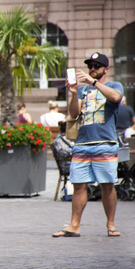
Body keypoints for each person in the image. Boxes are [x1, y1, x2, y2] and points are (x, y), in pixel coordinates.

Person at [52, 52, 124, 238]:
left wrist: (93, 83)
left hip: (105, 143)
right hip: (83, 144)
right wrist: (74, 94)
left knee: (107, 185)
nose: (92, 69)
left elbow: (116, 98)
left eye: (96, 66)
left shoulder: (114, 86)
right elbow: (74, 114)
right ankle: (74, 226)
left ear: (106, 69)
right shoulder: (83, 90)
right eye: (90, 66)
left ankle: (111, 224)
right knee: (78, 185)